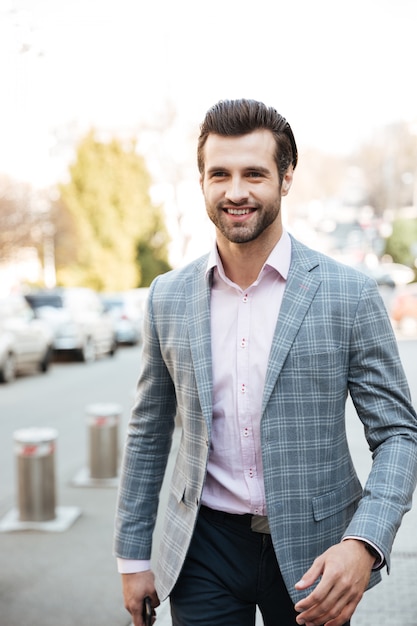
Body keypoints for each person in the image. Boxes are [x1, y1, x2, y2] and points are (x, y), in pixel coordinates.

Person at [114, 99, 417, 626]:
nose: (235, 191)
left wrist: (365, 540)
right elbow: (148, 429)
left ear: (286, 178)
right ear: (203, 181)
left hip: (317, 551)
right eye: (220, 174)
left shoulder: (349, 294)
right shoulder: (167, 296)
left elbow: (399, 435)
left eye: (254, 173)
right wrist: (133, 556)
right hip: (202, 547)